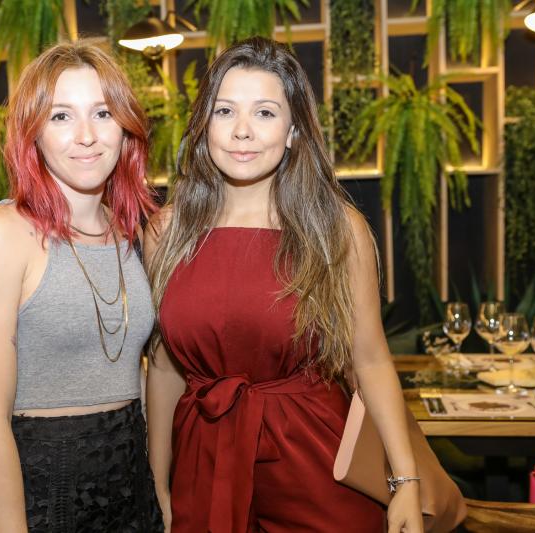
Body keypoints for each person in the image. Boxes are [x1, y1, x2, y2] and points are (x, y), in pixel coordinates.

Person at [145, 37, 423, 533]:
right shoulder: (166, 231)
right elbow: (165, 368)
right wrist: (158, 484)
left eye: (265, 113)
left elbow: (370, 360)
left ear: (293, 130)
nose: (243, 130)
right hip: (204, 465)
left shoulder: (337, 229)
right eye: (225, 110)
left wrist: (406, 481)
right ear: (204, 125)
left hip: (315, 463)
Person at [0, 43, 162, 532]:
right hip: (39, 490)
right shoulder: (1, 235)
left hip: (130, 484)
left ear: (125, 127)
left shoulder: (132, 234)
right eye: (61, 116)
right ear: (34, 133)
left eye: (102, 113)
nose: (87, 135)